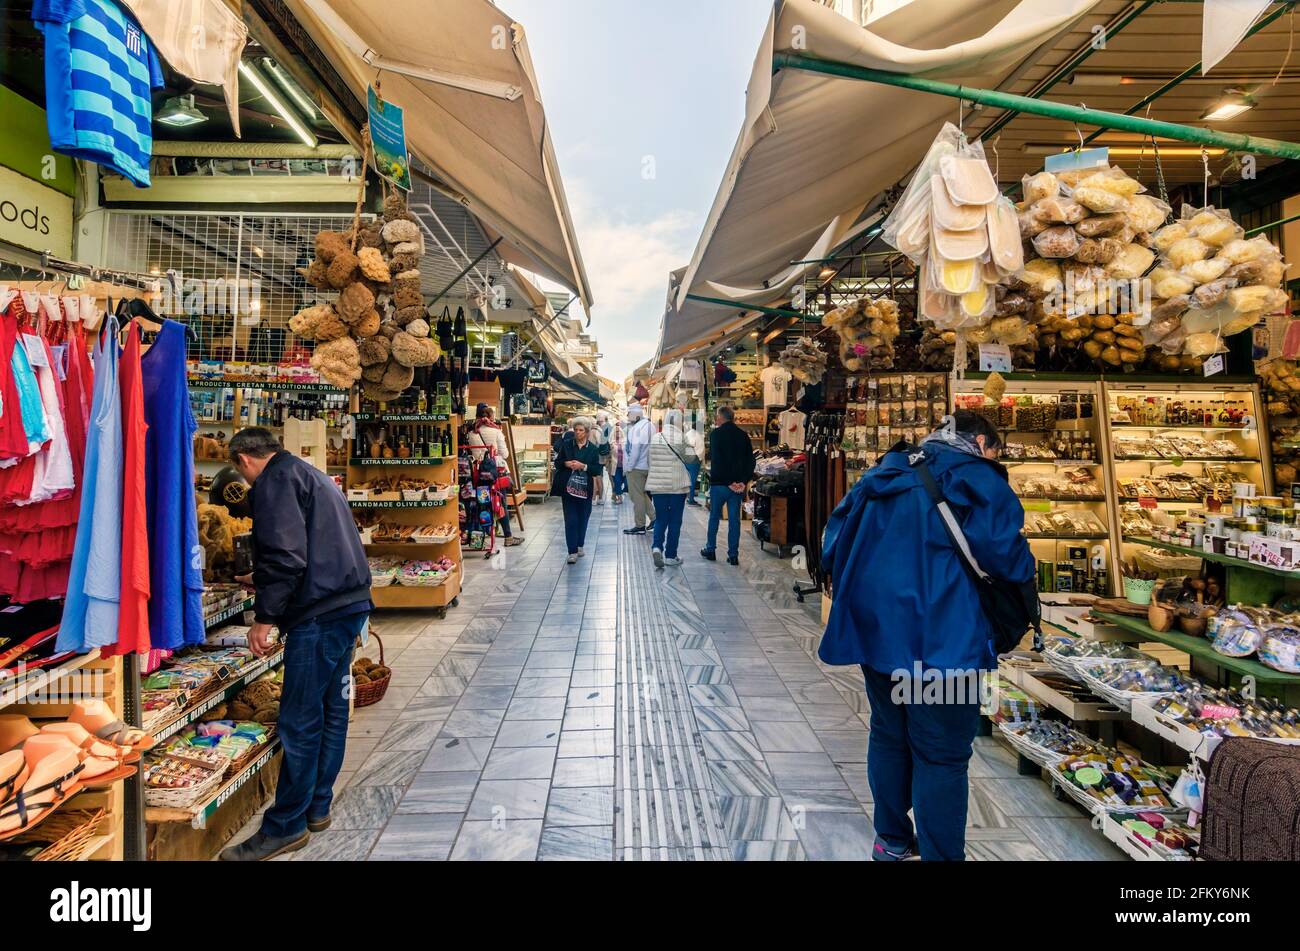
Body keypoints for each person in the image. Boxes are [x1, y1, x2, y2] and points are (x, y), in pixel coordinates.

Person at [817, 411, 1034, 862]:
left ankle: (891, 840)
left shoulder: (887, 469)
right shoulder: (977, 478)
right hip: (944, 641)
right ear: (979, 441)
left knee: (889, 734)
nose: (996, 459)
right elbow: (1009, 560)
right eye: (996, 450)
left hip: (877, 636)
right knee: (940, 755)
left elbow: (833, 541)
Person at [219, 428, 372, 862]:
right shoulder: (310, 474)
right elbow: (305, 548)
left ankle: (285, 826)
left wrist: (264, 619)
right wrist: (264, 578)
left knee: (300, 720)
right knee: (330, 712)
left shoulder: (273, 482)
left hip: (318, 615)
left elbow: (287, 555)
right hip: (347, 605)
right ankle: (316, 808)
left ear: (244, 461)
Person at [700, 405, 754, 566]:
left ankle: (710, 550)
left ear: (721, 418)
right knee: (734, 520)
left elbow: (718, 460)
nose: (716, 419)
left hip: (720, 484)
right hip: (737, 486)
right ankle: (733, 555)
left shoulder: (716, 435)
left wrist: (728, 481)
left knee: (714, 517)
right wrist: (743, 481)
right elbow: (750, 461)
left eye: (717, 416)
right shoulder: (743, 435)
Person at [645, 408, 698, 569]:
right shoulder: (681, 437)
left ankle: (656, 547)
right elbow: (691, 458)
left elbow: (650, 461)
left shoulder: (655, 438)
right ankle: (670, 555)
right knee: (675, 520)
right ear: (680, 422)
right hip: (677, 486)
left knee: (661, 518)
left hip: (658, 486)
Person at [464, 403, 521, 546]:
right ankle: (508, 537)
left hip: (478, 474)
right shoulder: (496, 432)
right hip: (495, 474)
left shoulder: (471, 433)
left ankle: (481, 538)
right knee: (500, 503)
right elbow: (505, 454)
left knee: (481, 505)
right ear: (490, 417)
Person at [552, 417, 604, 564]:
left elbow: (597, 469)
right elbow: (557, 463)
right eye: (576, 430)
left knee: (583, 517)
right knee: (571, 519)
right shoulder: (567, 445)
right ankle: (572, 551)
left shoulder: (593, 449)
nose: (578, 433)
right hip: (568, 488)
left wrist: (584, 466)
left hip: (585, 489)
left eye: (581, 430)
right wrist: (566, 463)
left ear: (587, 432)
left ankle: (580, 544)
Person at [622, 403, 656, 535]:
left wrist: (629, 467)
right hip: (646, 466)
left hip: (636, 467)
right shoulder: (650, 425)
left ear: (635, 415)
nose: (628, 416)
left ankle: (640, 525)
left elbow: (635, 450)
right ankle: (654, 518)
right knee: (642, 495)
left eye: (629, 414)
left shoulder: (636, 428)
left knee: (636, 497)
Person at [683, 411, 705, 505]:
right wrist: (701, 459)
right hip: (694, 460)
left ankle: (685, 497)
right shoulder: (698, 436)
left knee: (686, 480)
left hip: (686, 459)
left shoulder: (687, 434)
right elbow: (700, 450)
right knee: (692, 481)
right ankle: (691, 499)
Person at [608, 418, 627, 504]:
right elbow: (607, 454)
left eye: (619, 432)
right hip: (614, 467)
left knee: (623, 481)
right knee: (617, 481)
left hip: (624, 466)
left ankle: (615, 493)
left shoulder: (626, 442)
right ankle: (619, 497)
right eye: (616, 432)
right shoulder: (611, 443)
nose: (617, 434)